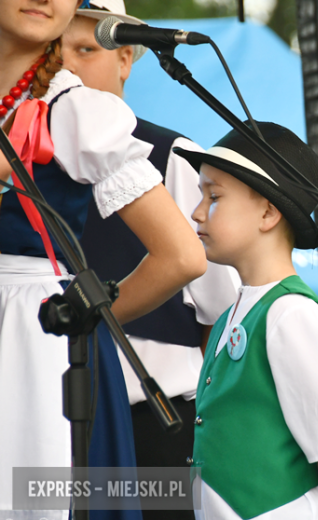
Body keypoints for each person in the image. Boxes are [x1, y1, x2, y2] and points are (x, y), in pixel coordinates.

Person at [0, 0, 207, 518]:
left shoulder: (75, 111)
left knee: (36, 496)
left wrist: (84, 319)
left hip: (36, 340)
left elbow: (182, 256)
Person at [61, 6, 237, 519]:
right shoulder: (23, 161)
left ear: (126, 59)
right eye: (56, 53)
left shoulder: (174, 158)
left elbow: (224, 315)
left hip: (156, 431)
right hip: (47, 426)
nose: (68, 69)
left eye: (86, 50)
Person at [173, 122, 318, 519]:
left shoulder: (293, 315)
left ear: (269, 212)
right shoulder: (232, 316)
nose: (196, 212)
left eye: (214, 196)